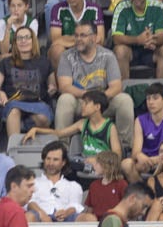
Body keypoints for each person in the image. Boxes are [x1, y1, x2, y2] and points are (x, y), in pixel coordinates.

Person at [55, 21, 136, 149]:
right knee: (64, 99)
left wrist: (99, 99)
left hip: (102, 102)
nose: (78, 39)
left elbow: (116, 86)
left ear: (94, 37)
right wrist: (87, 97)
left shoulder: (108, 56)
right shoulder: (67, 56)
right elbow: (64, 86)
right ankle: (61, 149)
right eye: (76, 36)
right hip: (80, 101)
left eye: (83, 36)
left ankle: (124, 147)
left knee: (124, 100)